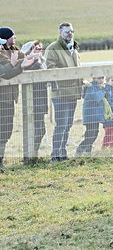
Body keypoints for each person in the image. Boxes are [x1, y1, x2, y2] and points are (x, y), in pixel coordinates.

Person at [0, 27, 40, 168]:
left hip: (9, 97)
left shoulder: (13, 49)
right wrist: (18, 64)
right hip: (2, 97)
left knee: (6, 131)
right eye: (12, 35)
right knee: (2, 131)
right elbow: (5, 72)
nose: (15, 37)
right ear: (6, 38)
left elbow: (21, 60)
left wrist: (32, 56)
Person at [44, 22, 83, 162]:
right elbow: (50, 69)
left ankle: (63, 153)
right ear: (60, 33)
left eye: (72, 31)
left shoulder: (74, 48)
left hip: (73, 92)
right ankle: (55, 155)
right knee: (61, 125)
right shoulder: (53, 48)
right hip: (60, 93)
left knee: (68, 125)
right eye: (67, 32)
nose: (70, 34)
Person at [20, 40, 49, 160]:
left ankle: (33, 153)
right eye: (37, 48)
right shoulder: (32, 63)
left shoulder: (41, 61)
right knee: (38, 130)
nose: (40, 50)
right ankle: (31, 154)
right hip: (34, 100)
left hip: (41, 98)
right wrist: (37, 59)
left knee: (40, 129)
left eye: (41, 48)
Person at [76, 76, 109, 156]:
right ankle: (80, 149)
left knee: (94, 134)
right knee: (90, 135)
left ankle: (87, 152)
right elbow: (96, 97)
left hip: (96, 116)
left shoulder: (100, 87)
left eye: (102, 78)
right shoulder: (91, 87)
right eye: (99, 78)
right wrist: (103, 91)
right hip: (90, 116)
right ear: (94, 78)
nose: (101, 80)